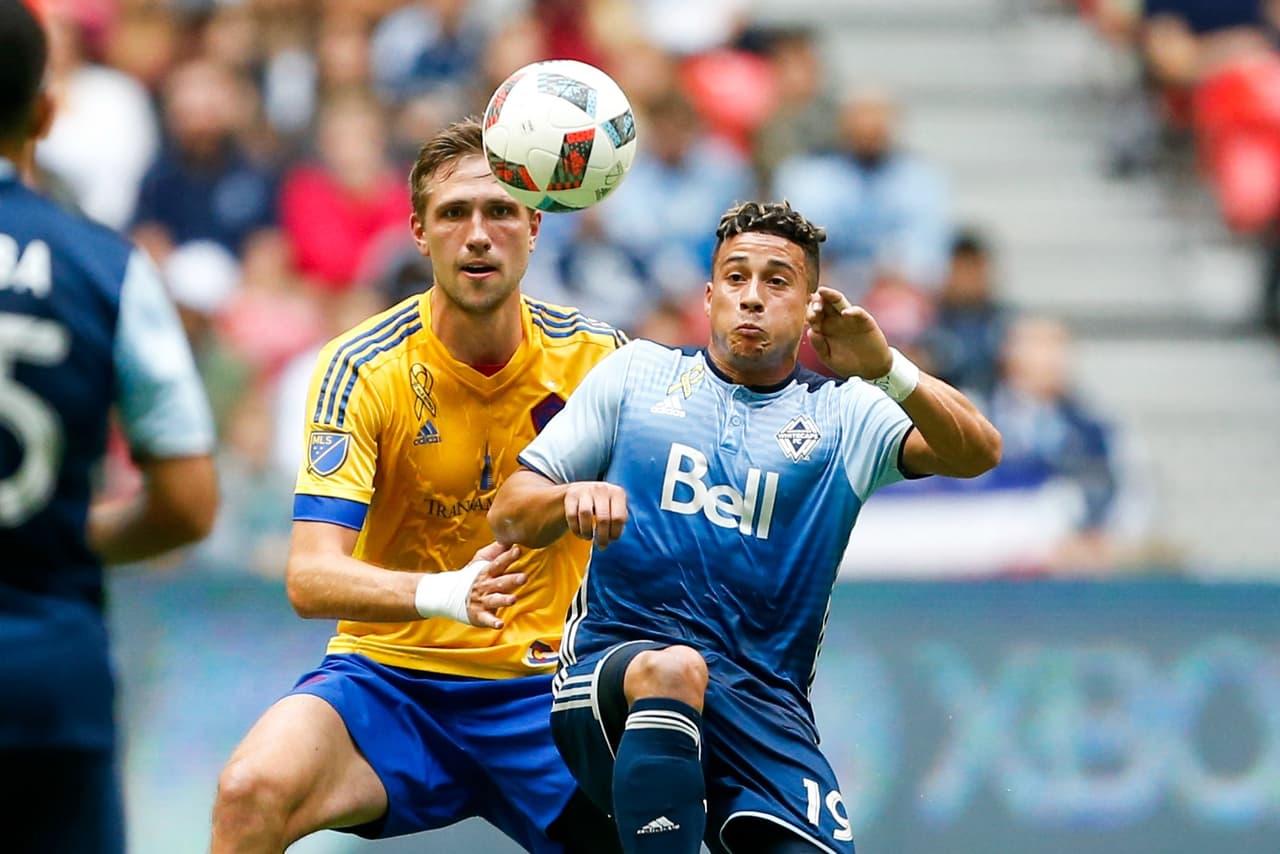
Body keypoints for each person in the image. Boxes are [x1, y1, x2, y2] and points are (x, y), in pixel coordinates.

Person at [489, 200, 1002, 853]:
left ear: (811, 306)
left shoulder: (846, 417)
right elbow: (508, 511)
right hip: (614, 673)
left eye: (777, 281)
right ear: (708, 296)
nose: (752, 297)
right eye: (736, 278)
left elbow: (977, 452)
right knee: (674, 669)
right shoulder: (637, 377)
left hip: (765, 709)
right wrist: (567, 501)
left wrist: (887, 369)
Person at [209, 117, 625, 853]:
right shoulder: (360, 367)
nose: (477, 233)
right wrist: (443, 595)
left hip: (547, 694)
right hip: (391, 686)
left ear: (535, 224)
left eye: (499, 210)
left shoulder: (602, 357)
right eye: (453, 213)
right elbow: (310, 576)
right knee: (251, 792)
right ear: (418, 233)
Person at [0, 2, 218, 851]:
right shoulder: (108, 267)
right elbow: (188, 505)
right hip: (49, 682)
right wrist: (66, 534)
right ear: (46, 112)